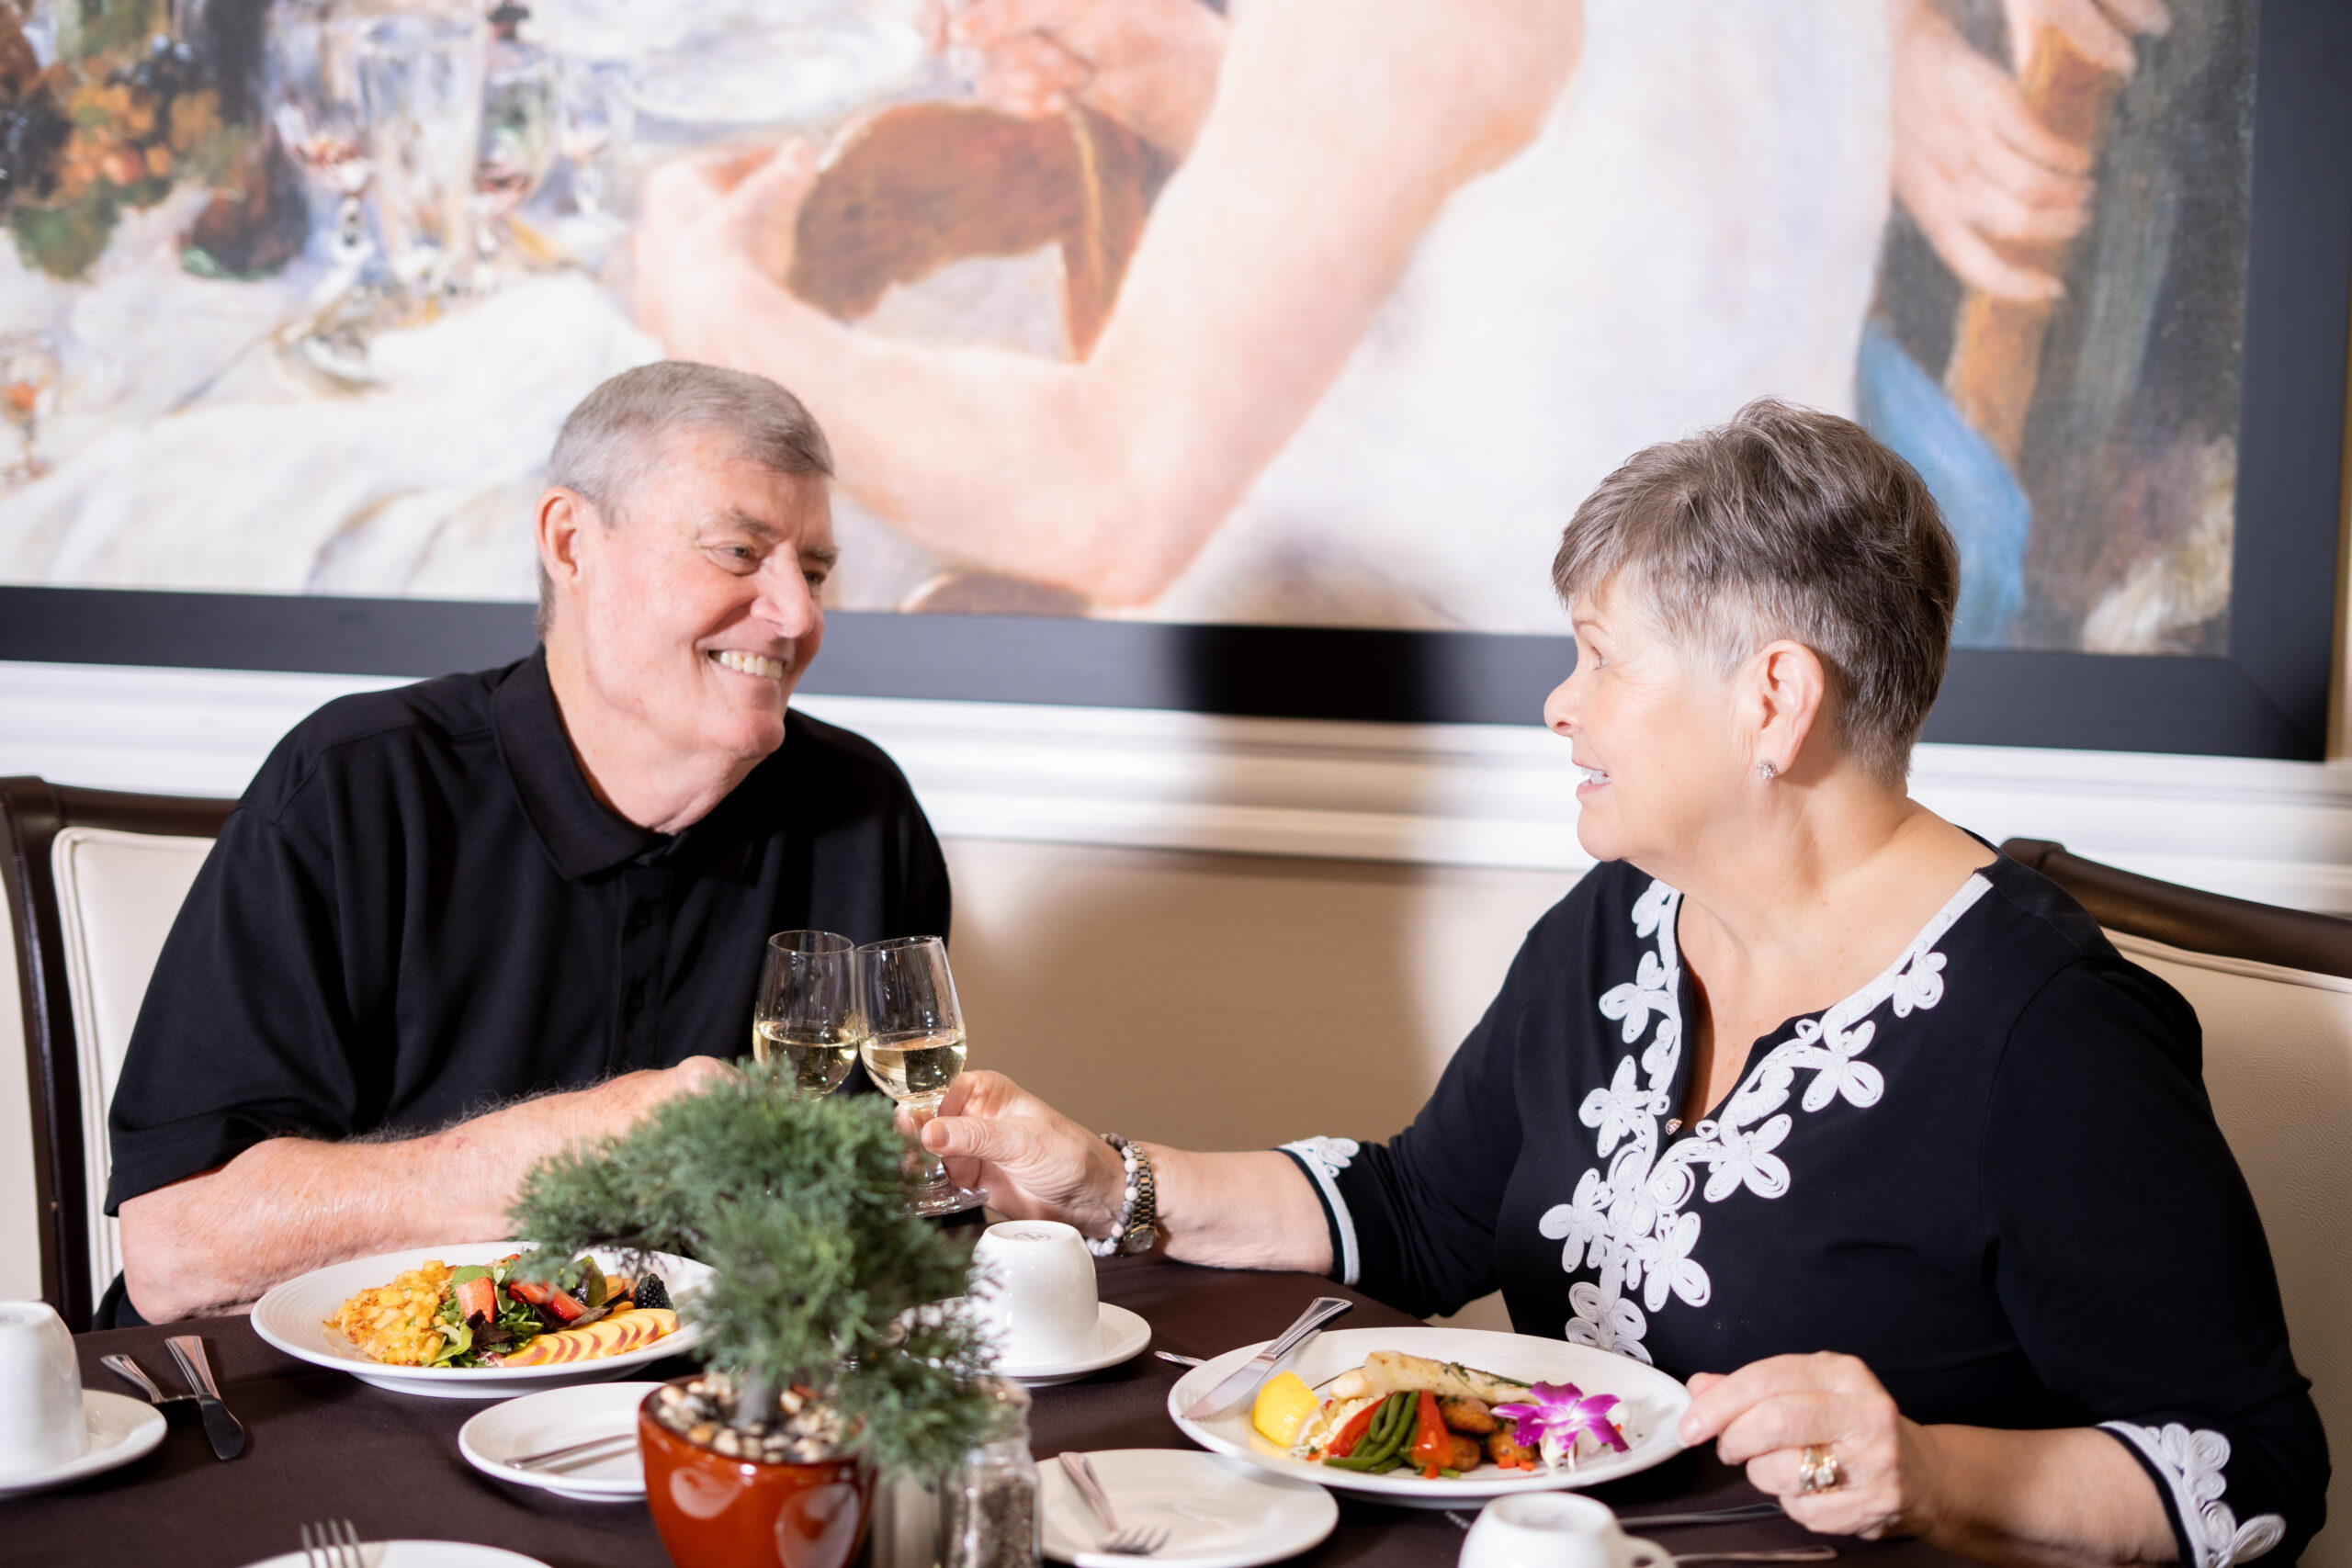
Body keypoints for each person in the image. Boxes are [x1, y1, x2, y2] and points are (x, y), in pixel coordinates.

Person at [915, 402, 2326, 1567]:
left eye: (1601, 656)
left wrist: (1938, 1470)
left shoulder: (2049, 1032)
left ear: (1773, 700)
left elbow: (2253, 1466)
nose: (1561, 703)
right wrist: (1107, 1179)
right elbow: (1421, 1209)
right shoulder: (1622, 923)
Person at [629, 0, 2165, 639]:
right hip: (1684, 723)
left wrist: (710, 303)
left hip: (1410, 753)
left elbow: (1106, 496)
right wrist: (1190, 74)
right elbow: (1557, 236)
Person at [103, 363, 950, 1326]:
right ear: (570, 541)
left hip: (690, 1403)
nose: (798, 616)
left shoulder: (864, 812)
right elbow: (175, 1251)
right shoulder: (353, 786)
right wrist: (569, 1144)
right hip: (334, 1405)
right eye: (738, 553)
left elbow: (863, 1212)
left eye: (813, 571)